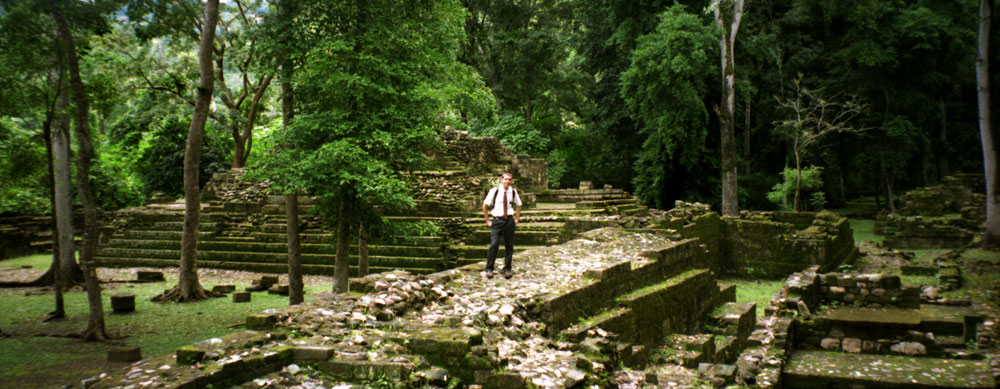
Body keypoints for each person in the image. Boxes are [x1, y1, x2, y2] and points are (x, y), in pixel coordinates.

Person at [482, 172, 522, 278]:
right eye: (505, 179)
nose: (507, 181)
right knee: (494, 244)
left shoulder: (513, 191)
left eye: (509, 179)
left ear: (511, 181)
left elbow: (519, 204)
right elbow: (485, 205)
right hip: (497, 220)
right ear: (501, 180)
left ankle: (507, 269)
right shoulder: (494, 191)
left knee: (509, 246)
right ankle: (489, 268)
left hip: (509, 220)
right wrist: (487, 220)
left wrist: (517, 218)